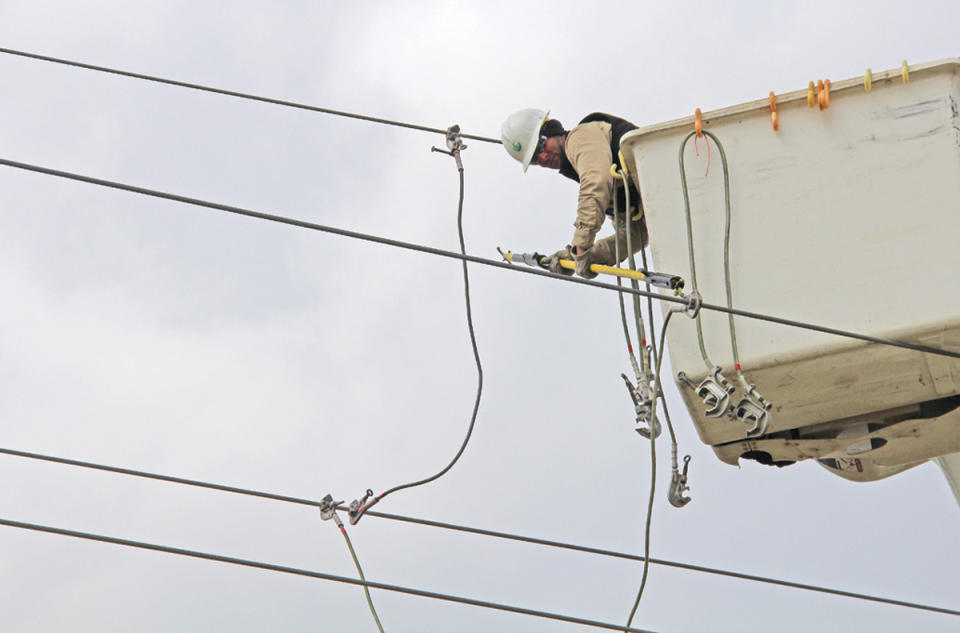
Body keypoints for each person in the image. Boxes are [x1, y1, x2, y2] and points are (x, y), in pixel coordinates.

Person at [501, 109, 648, 279]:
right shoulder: (596, 174)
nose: (543, 156)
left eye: (541, 145)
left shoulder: (580, 136)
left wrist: (581, 245)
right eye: (535, 159)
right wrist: (585, 257)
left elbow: (595, 183)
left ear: (551, 131)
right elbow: (637, 234)